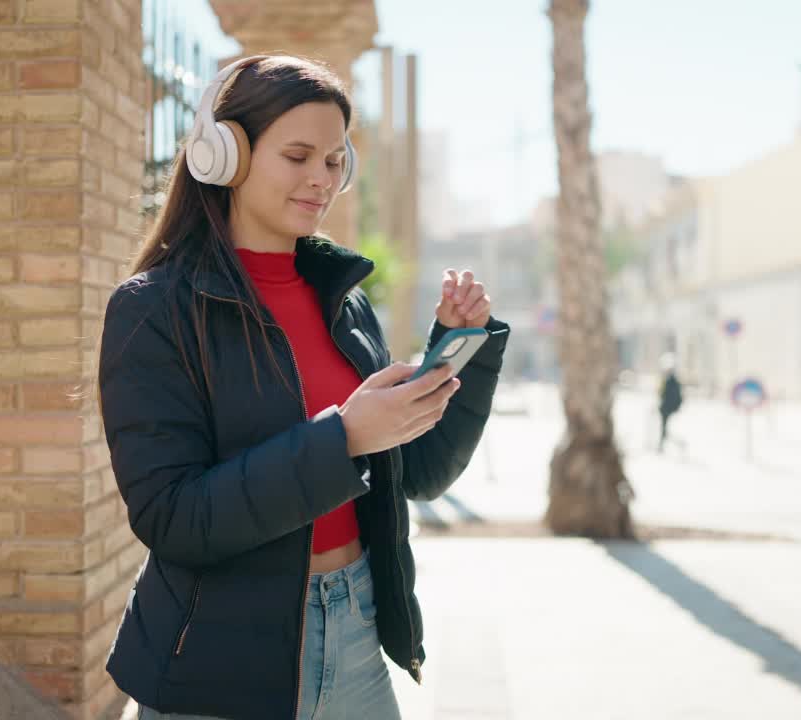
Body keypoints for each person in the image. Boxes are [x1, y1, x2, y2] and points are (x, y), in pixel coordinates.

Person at [98, 56, 510, 720]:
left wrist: (463, 355)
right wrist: (343, 437)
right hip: (217, 664)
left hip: (356, 633)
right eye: (297, 155)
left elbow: (421, 473)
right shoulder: (153, 310)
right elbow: (171, 518)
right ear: (225, 154)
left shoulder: (343, 302)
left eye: (334, 160)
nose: (321, 178)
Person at [658, 353, 683, 453]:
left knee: (664, 427)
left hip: (667, 408)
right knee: (664, 427)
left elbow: (668, 395)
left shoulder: (671, 381)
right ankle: (662, 443)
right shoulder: (669, 380)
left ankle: (666, 443)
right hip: (666, 408)